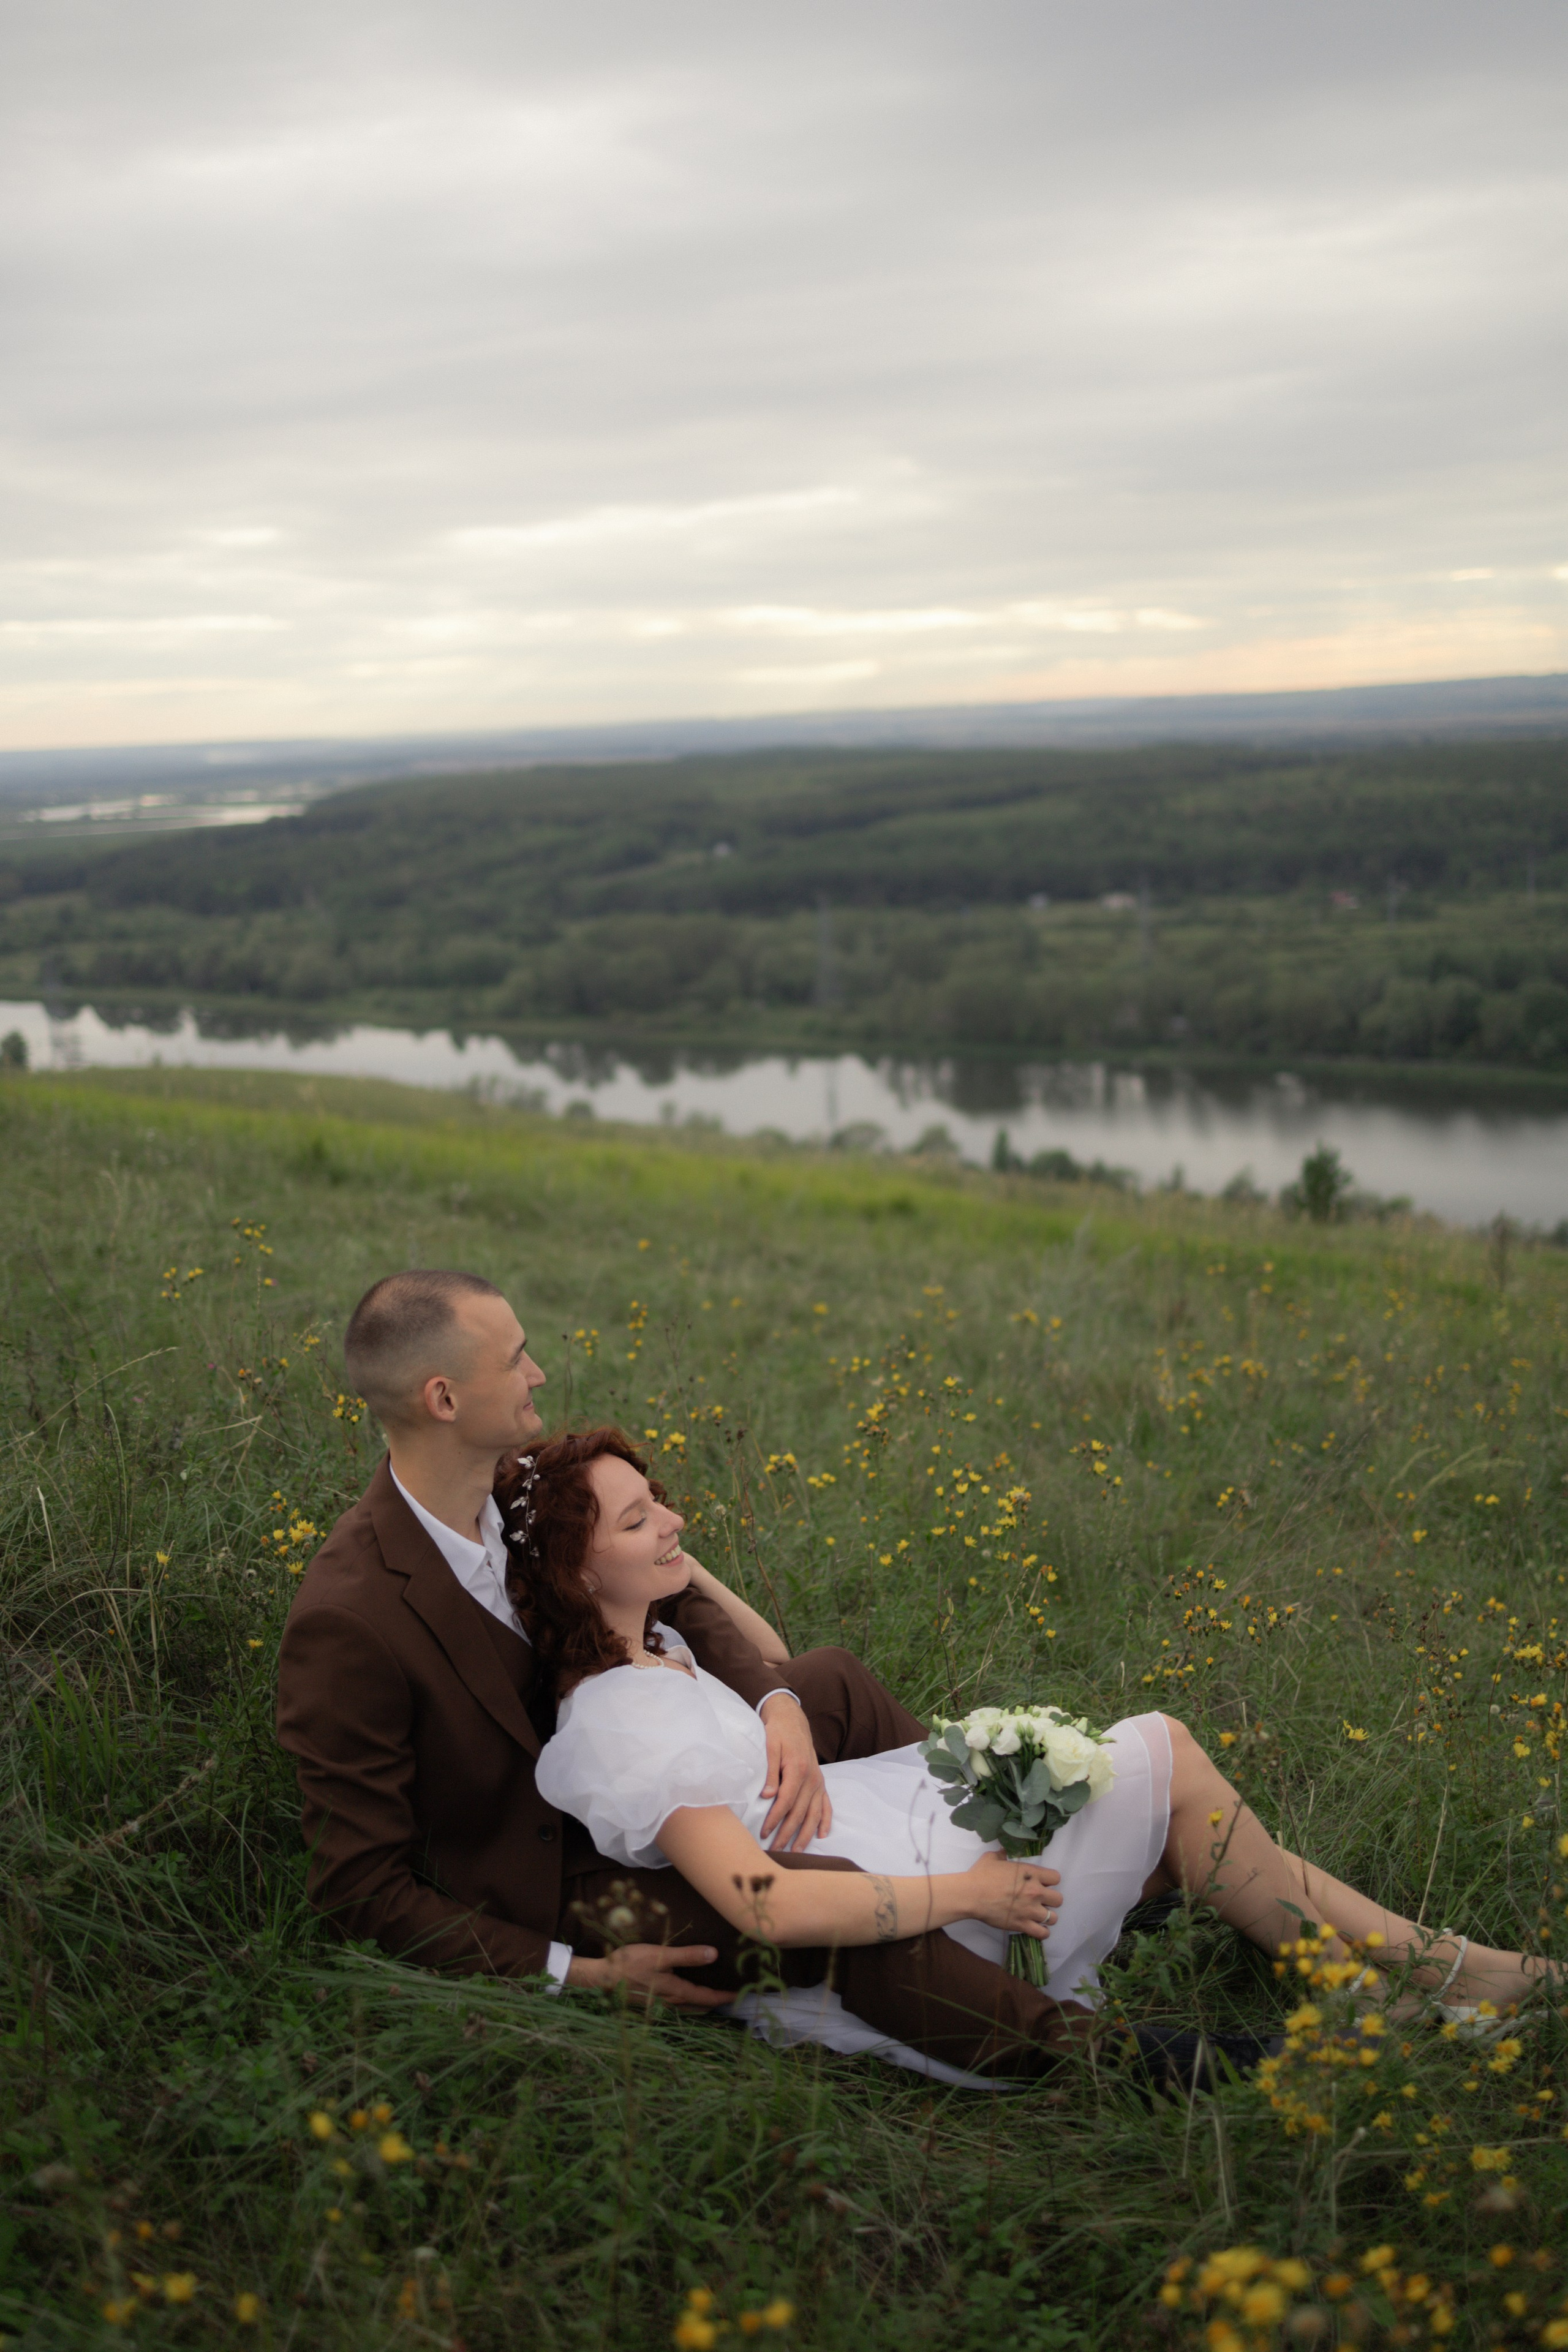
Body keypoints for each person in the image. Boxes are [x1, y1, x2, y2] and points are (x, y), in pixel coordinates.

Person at [522, 1423, 1548, 2081]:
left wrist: (672, 1565)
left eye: (659, 1500)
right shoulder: (619, 1724)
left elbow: (775, 1658)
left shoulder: (656, 1646)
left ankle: (1422, 1972)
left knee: (1178, 1788)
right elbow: (760, 1902)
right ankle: (1420, 1978)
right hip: (898, 1899)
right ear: (577, 1572)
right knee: (1168, 1760)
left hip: (883, 1829)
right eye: (640, 1516)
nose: (675, 1520)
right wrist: (968, 1897)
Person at [276, 1269, 1093, 2079]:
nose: (539, 1375)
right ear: (443, 1399)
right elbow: (359, 1888)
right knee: (818, 1900)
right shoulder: (351, 1620)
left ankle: (1035, 1878)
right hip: (562, 1876)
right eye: (516, 1359)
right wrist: (579, 1976)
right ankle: (1091, 2056)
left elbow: (667, 1585)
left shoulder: (513, 1483)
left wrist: (776, 1703)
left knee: (831, 1683)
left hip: (644, 1758)